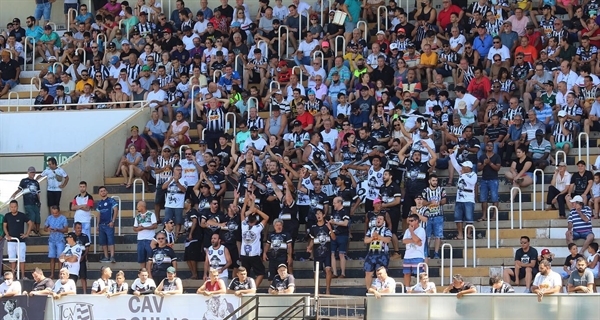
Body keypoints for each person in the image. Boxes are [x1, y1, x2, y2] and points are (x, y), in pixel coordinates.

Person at [307, 208, 335, 295]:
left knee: (328, 270)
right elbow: (312, 239)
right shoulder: (313, 227)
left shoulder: (328, 225)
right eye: (317, 214)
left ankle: (327, 290)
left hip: (327, 253)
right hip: (317, 253)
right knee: (316, 272)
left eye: (320, 213)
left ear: (323, 215)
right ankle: (317, 291)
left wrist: (330, 229)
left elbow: (334, 238)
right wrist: (309, 247)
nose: (318, 215)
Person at [3, 200, 33, 280]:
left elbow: (30, 223)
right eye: (11, 207)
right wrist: (7, 235)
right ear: (10, 207)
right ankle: (12, 276)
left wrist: (27, 234)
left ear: (17, 206)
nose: (13, 208)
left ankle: (23, 276)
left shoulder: (22, 215)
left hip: (21, 241)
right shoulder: (7, 215)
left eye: (15, 207)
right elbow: (4, 226)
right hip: (11, 241)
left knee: (22, 259)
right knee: (12, 259)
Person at [364, 213, 393, 291]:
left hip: (382, 254)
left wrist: (378, 236)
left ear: (384, 221)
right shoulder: (371, 229)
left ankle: (380, 289)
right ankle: (368, 290)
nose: (378, 220)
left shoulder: (386, 230)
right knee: (368, 272)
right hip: (371, 253)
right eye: (377, 219)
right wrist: (372, 238)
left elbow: (388, 240)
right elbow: (365, 240)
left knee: (380, 273)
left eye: (380, 219)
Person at [10, 166, 41, 237]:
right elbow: (19, 189)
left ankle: (37, 231)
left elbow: (37, 193)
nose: (33, 174)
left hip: (35, 203)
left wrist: (39, 202)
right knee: (32, 215)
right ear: (28, 173)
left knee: (38, 216)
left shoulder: (36, 182)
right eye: (31, 172)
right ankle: (31, 231)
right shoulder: (23, 181)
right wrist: (14, 194)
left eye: (34, 172)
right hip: (28, 203)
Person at [43, 205, 68, 279]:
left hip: (60, 240)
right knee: (52, 257)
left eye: (56, 213)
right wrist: (48, 228)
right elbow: (44, 228)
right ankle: (52, 274)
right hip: (51, 240)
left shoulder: (63, 218)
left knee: (60, 258)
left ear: (59, 212)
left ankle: (60, 274)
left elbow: (66, 229)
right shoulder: (49, 218)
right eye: (53, 213)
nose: (54, 214)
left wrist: (58, 229)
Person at [402, 213, 426, 288]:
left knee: (419, 274)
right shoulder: (407, 230)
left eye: (411, 220)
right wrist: (414, 240)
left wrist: (412, 232)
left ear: (416, 221)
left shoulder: (421, 230)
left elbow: (418, 241)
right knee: (406, 273)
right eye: (409, 221)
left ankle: (420, 288)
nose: (410, 222)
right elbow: (404, 241)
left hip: (418, 256)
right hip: (407, 256)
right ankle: (407, 289)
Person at [96, 186, 118, 263]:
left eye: (104, 190)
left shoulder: (111, 200)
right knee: (103, 242)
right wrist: (97, 225)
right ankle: (106, 256)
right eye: (101, 191)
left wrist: (113, 221)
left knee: (111, 241)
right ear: (99, 193)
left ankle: (112, 257)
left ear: (107, 192)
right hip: (101, 225)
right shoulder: (99, 203)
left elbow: (115, 210)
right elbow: (98, 214)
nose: (103, 192)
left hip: (109, 224)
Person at [134, 201, 158, 270]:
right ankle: (143, 272)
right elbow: (134, 228)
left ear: (142, 206)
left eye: (138, 206)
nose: (137, 208)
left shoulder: (151, 214)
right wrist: (139, 228)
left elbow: (155, 225)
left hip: (150, 239)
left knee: (151, 257)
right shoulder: (137, 216)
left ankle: (150, 272)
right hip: (140, 240)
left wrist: (144, 228)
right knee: (141, 258)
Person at [73, 222, 90, 293]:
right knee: (73, 278)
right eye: (78, 228)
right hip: (72, 261)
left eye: (80, 228)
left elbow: (87, 248)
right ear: (74, 228)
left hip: (82, 259)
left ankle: (85, 293)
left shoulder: (85, 236)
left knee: (83, 277)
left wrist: (83, 256)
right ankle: (72, 292)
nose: (80, 229)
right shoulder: (71, 236)